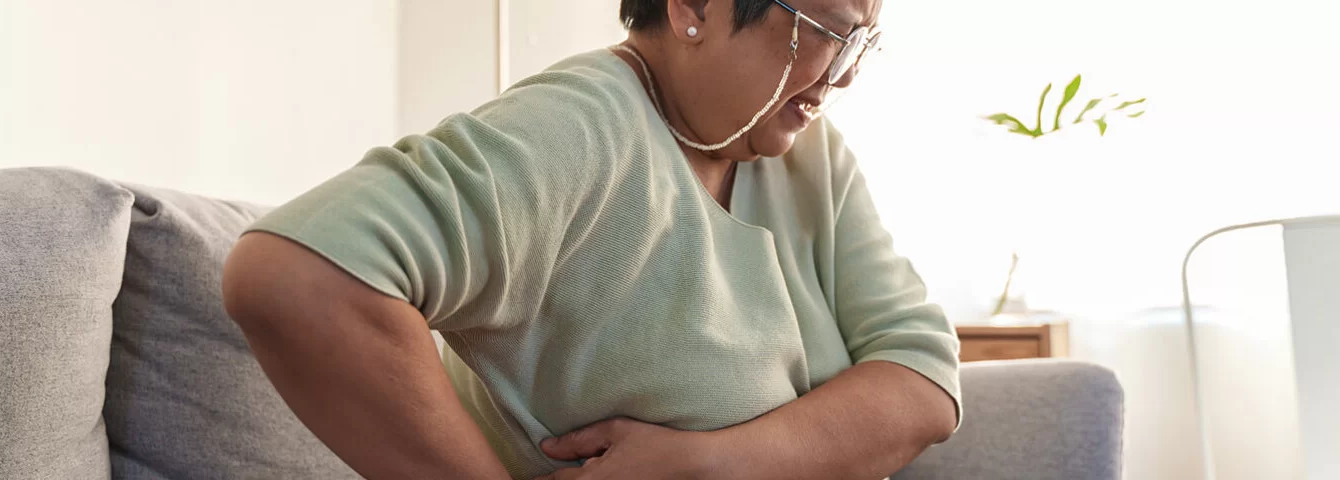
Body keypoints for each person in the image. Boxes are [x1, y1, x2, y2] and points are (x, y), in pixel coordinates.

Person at [221, 0, 961, 478]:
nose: (845, 75)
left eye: (863, 40)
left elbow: (923, 379)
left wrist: (712, 463)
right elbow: (293, 278)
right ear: (692, 8)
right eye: (828, 31)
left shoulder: (809, 157)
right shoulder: (580, 126)